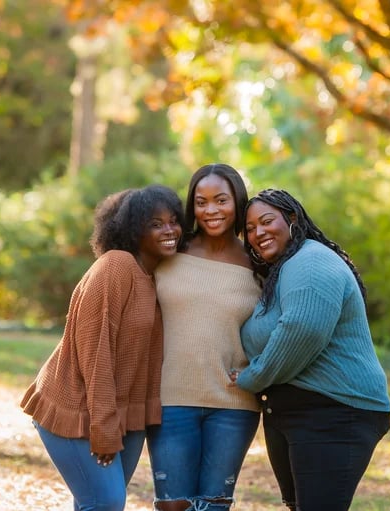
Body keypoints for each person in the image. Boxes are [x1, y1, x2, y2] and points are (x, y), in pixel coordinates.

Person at [20, 185, 184, 511]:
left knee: (94, 503)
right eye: (155, 223)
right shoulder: (116, 266)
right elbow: (96, 352)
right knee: (106, 502)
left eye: (173, 220)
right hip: (76, 406)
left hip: (124, 414)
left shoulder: (153, 276)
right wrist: (105, 428)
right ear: (132, 229)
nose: (169, 230)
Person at [234, 188, 390, 511]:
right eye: (249, 229)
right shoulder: (281, 272)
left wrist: (252, 378)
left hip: (335, 411)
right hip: (296, 413)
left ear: (292, 219)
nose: (258, 233)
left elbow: (301, 332)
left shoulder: (311, 261)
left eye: (266, 222)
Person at [146, 164, 262, 511]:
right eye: (201, 202)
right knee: (173, 505)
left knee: (213, 506)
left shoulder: (258, 261)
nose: (211, 210)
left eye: (221, 200)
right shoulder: (169, 251)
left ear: (238, 202)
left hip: (233, 404)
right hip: (171, 399)